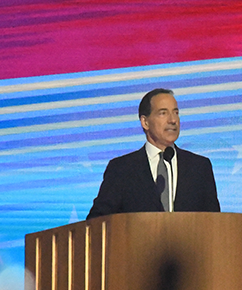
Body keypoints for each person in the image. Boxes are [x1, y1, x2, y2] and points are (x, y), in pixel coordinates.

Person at [87, 88, 220, 219]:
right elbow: (97, 222)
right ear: (145, 122)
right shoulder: (122, 169)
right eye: (163, 113)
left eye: (176, 112)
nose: (173, 120)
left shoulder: (199, 166)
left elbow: (215, 222)